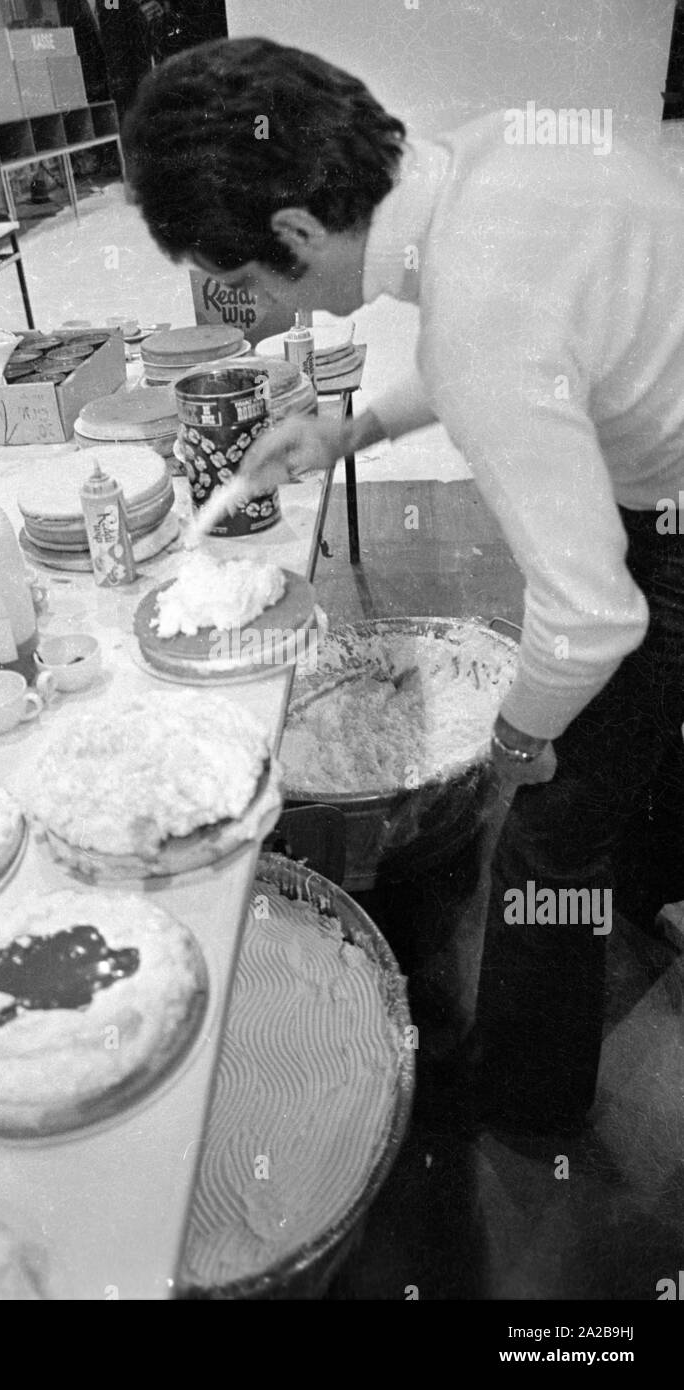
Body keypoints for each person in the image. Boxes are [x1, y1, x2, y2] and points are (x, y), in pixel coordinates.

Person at [121, 38, 684, 1134]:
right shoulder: (487, 156)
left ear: (291, 233)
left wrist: (518, 744)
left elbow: (588, 617)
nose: (275, 311)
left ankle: (526, 1104)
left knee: (545, 829)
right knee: (636, 741)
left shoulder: (477, 311)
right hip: (651, 442)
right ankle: (648, 868)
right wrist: (353, 424)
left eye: (241, 282)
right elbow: (517, 334)